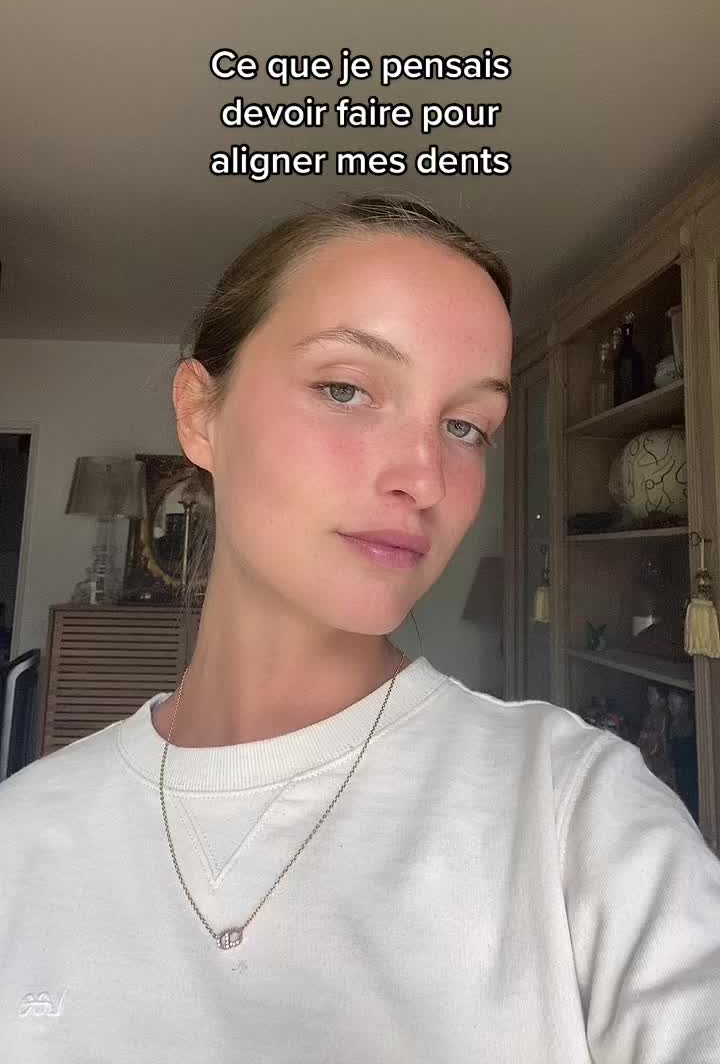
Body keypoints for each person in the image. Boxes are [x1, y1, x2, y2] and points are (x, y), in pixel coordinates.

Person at [2, 193, 719, 1062]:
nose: (425, 477)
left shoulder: (579, 812)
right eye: (345, 389)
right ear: (200, 414)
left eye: (466, 426)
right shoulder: (23, 834)